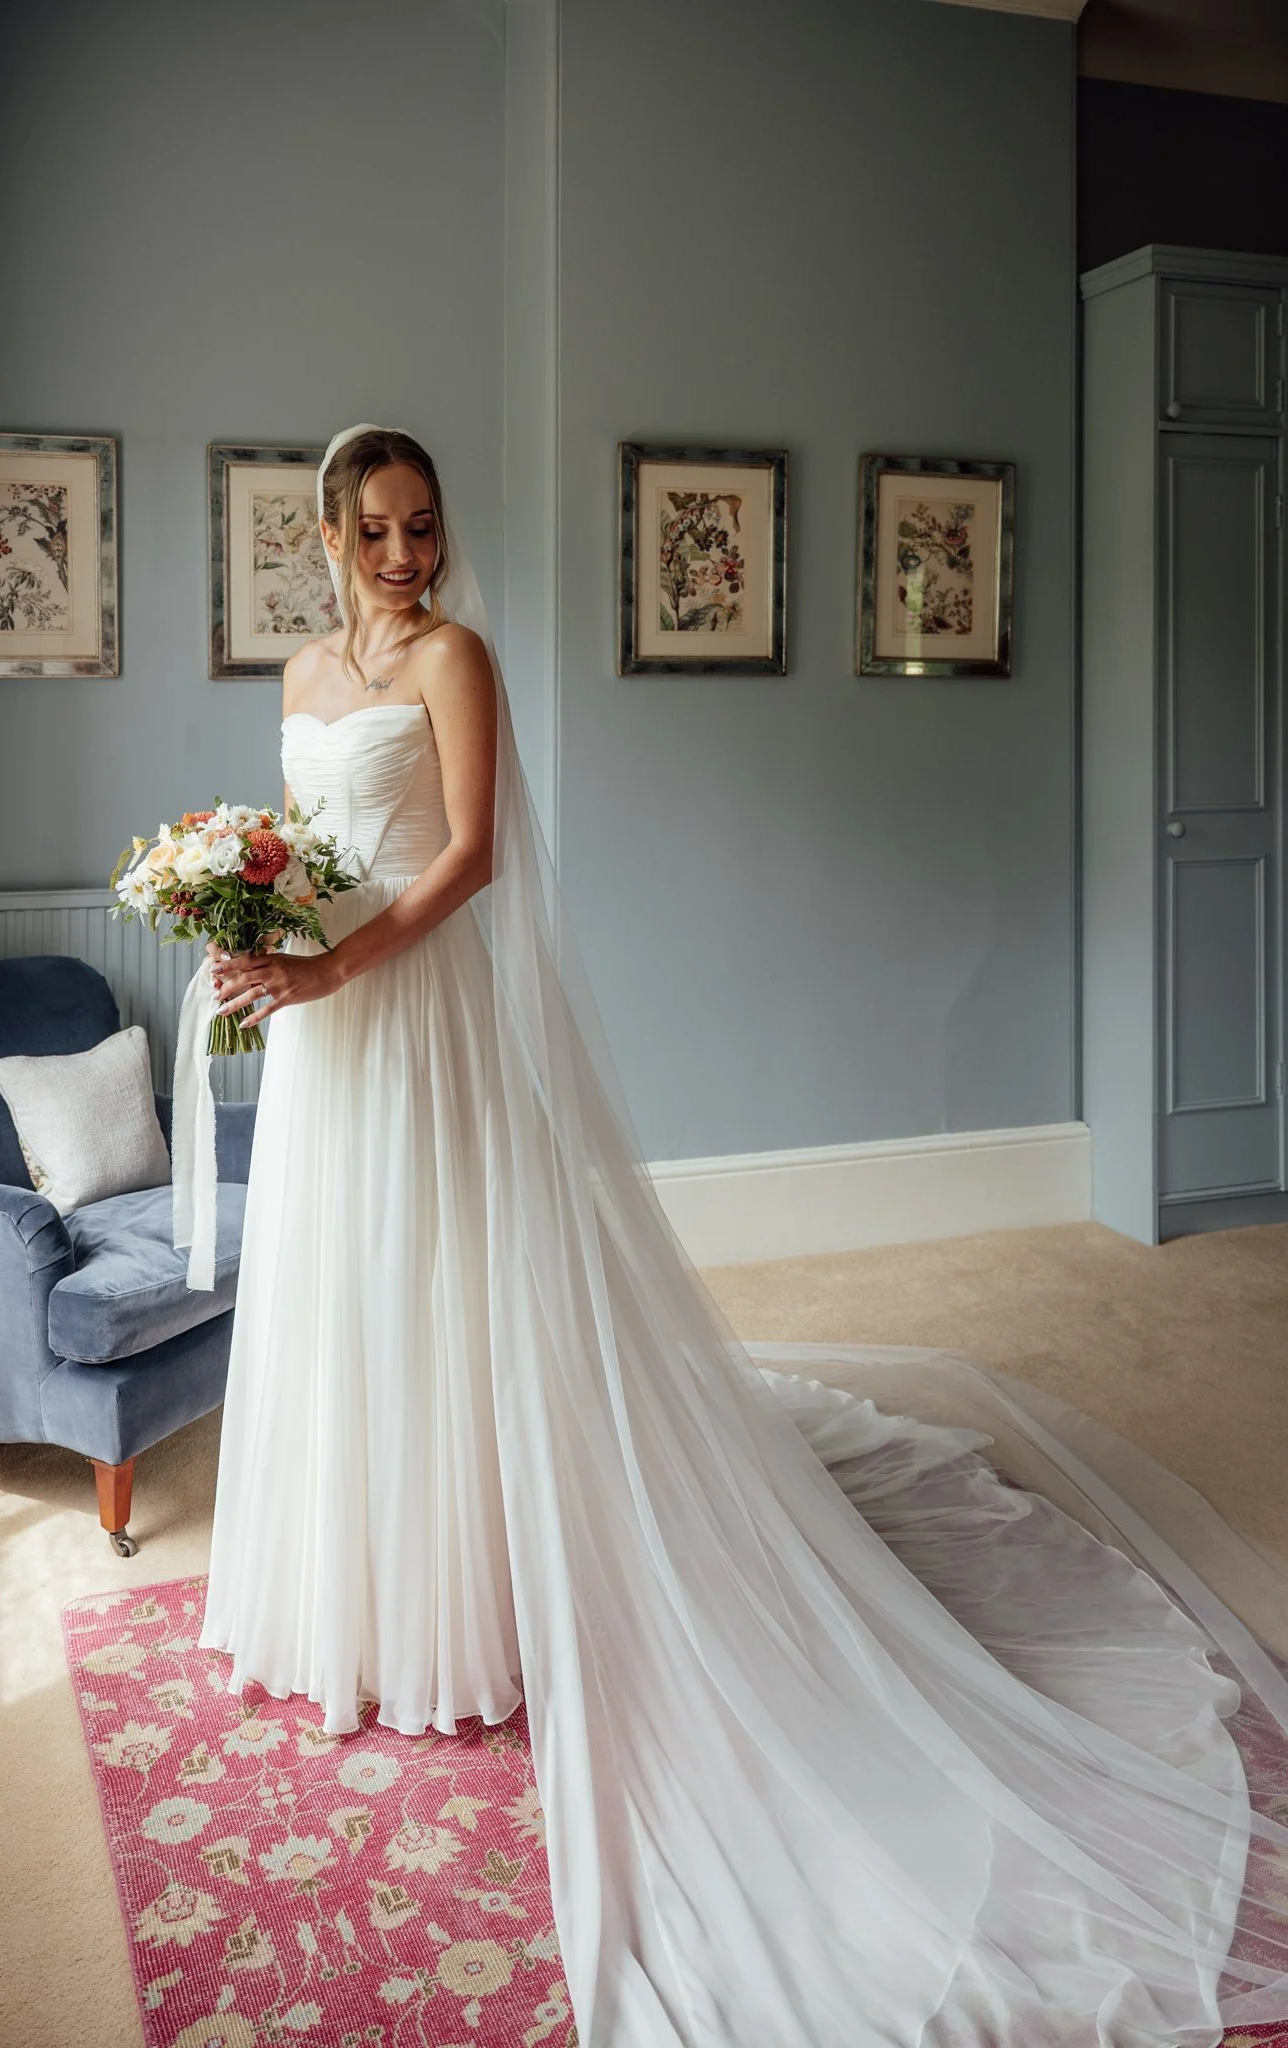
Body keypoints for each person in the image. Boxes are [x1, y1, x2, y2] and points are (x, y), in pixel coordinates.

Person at [185, 423, 1288, 2046]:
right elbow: (302, 856)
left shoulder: (463, 657)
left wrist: (341, 968)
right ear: (332, 537)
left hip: (414, 1019)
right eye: (379, 533)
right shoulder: (294, 676)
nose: (407, 555)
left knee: (439, 1291)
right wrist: (255, 935)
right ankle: (355, 1588)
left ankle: (477, 1594)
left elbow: (475, 857)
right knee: (342, 1299)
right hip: (321, 1033)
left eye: (426, 526)